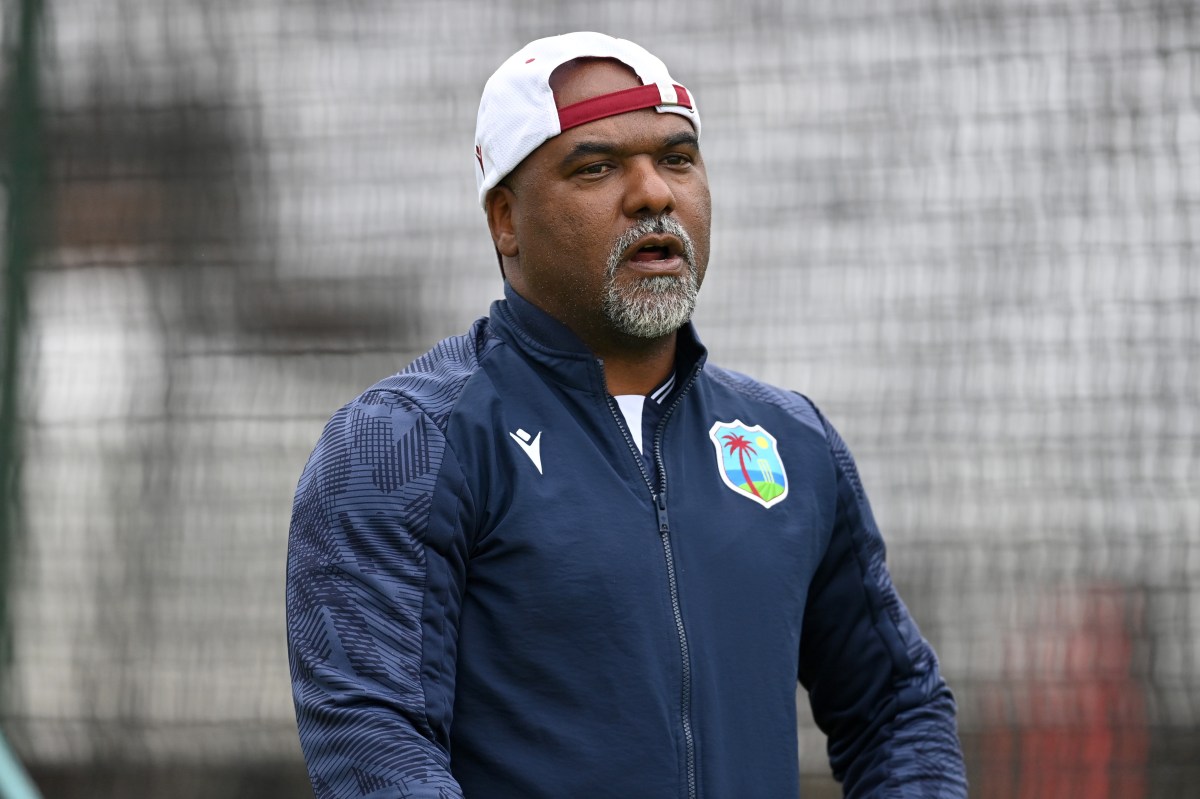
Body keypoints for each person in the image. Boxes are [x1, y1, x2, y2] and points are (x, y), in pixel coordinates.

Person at [287, 31, 967, 799]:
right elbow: (373, 738)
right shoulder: (406, 440)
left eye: (677, 158)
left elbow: (897, 707)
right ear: (505, 220)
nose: (653, 193)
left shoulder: (791, 441)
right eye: (597, 166)